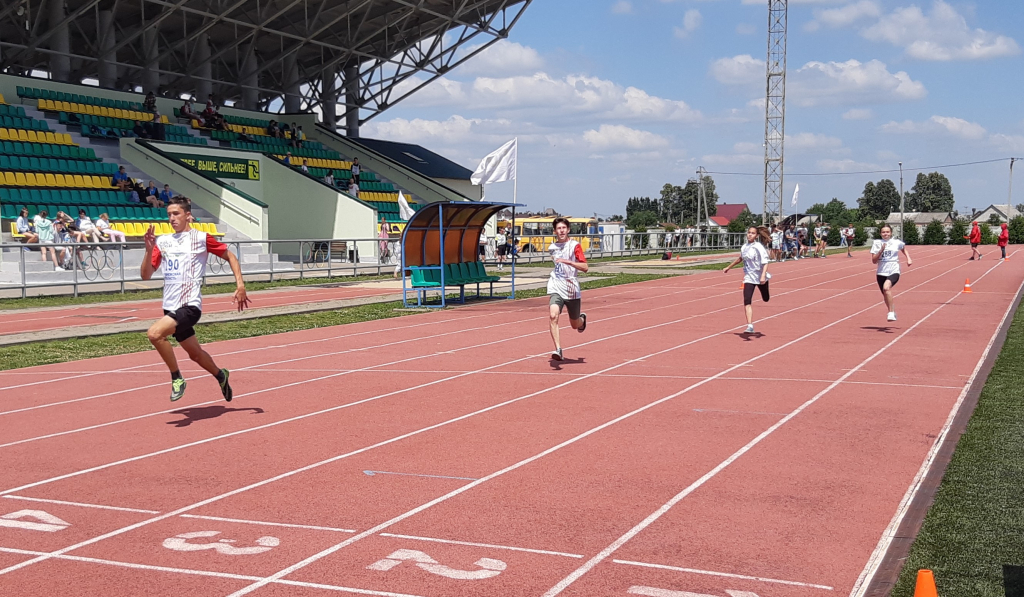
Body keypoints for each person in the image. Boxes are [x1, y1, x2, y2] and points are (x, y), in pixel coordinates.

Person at [141, 196, 248, 402]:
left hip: (189, 306)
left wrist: (240, 285)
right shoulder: (162, 241)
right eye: (169, 214)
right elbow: (145, 275)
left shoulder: (201, 238)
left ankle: (177, 377)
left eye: (176, 214)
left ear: (188, 215)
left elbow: (230, 256)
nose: (171, 218)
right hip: (169, 307)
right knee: (195, 354)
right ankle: (220, 375)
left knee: (154, 334)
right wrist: (148, 250)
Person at [547, 217, 589, 361]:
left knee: (574, 324)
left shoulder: (575, 246)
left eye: (564, 228)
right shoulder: (552, 248)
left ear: (568, 230)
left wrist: (569, 262)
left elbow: (585, 267)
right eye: (558, 228)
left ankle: (581, 320)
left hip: (571, 288)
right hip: (556, 285)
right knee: (553, 316)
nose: (561, 230)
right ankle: (558, 349)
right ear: (555, 231)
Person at [723, 226, 772, 334]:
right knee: (747, 300)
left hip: (759, 276)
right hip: (749, 277)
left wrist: (763, 275)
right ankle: (750, 325)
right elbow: (740, 258)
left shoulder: (758, 247)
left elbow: (765, 262)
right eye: (749, 232)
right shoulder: (744, 247)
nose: (750, 235)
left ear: (756, 236)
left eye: (753, 233)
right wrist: (728, 267)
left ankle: (766, 289)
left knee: (766, 298)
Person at [871, 224, 912, 322]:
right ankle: (892, 311)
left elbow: (903, 249)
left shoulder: (896, 242)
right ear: (881, 233)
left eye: (887, 232)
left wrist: (909, 258)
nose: (885, 234)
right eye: (883, 232)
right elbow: (874, 261)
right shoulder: (876, 243)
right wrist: (881, 250)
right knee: (885, 294)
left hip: (894, 269)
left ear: (891, 233)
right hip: (881, 272)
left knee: (886, 288)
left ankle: (891, 313)